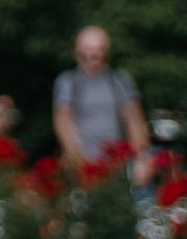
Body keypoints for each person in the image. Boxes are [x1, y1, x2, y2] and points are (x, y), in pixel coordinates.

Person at [53, 25, 152, 186]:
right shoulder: (69, 82)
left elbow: (134, 120)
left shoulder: (120, 80)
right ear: (77, 52)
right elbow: (64, 122)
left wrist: (143, 158)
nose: (94, 55)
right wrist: (80, 160)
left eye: (99, 50)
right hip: (82, 167)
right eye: (88, 51)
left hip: (118, 166)